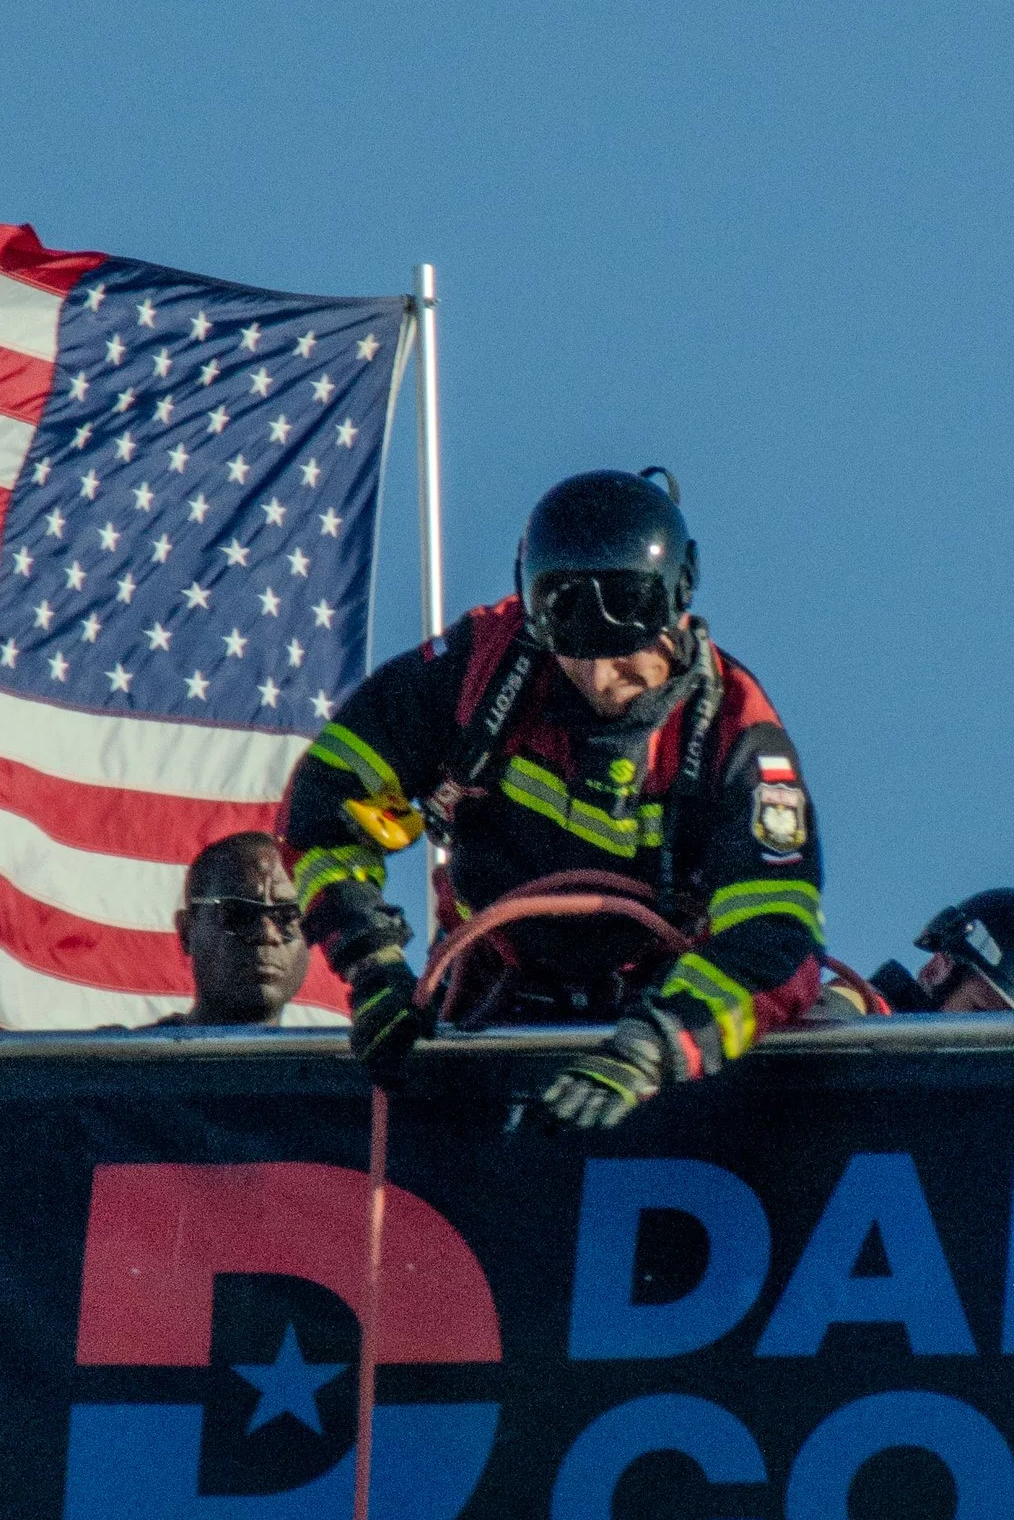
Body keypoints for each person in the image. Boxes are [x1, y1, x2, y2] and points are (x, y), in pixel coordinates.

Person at [281, 467, 824, 1125]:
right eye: (573, 647)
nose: (599, 677)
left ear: (677, 601)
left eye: (625, 650)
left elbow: (777, 939)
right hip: (485, 1017)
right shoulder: (477, 671)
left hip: (655, 1044)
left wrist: (649, 1051)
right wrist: (371, 964)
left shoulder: (737, 736)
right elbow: (323, 804)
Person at [819, 885, 1014, 1021]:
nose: (987, 1041)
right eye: (978, 1012)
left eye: (1013, 1038)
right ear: (937, 970)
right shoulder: (860, 1013)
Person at [156, 830, 315, 1028]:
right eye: (240, 913)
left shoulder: (344, 1056)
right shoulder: (121, 1056)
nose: (267, 933)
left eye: (288, 916)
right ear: (187, 932)